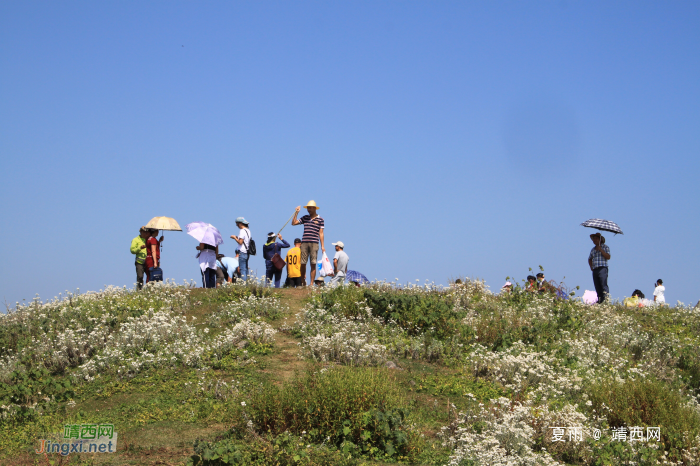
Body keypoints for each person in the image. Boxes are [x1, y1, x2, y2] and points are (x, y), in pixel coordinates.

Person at [292, 201, 325, 286]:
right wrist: (296, 212)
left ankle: (311, 283)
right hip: (304, 243)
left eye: (310, 208)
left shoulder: (320, 219)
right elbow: (294, 223)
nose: (308, 210)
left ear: (314, 208)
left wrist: (323, 246)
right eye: (307, 208)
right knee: (303, 263)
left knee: (313, 263)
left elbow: (321, 233)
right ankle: (303, 282)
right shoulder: (305, 218)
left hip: (314, 243)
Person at [588, 232, 611, 304]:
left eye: (596, 239)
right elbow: (589, 258)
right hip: (595, 269)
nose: (594, 240)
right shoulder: (593, 249)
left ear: (600, 240)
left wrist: (601, 250)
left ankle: (606, 300)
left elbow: (608, 257)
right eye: (593, 239)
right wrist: (591, 267)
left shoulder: (605, 247)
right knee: (597, 286)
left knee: (603, 284)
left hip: (602, 268)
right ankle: (600, 300)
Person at [230, 217, 251, 281]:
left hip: (242, 252)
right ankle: (247, 284)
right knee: (246, 269)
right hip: (247, 252)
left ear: (240, 223)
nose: (237, 225)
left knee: (242, 270)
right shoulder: (248, 230)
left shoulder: (242, 231)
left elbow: (240, 242)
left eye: (237, 224)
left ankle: (244, 286)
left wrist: (234, 238)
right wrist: (237, 237)